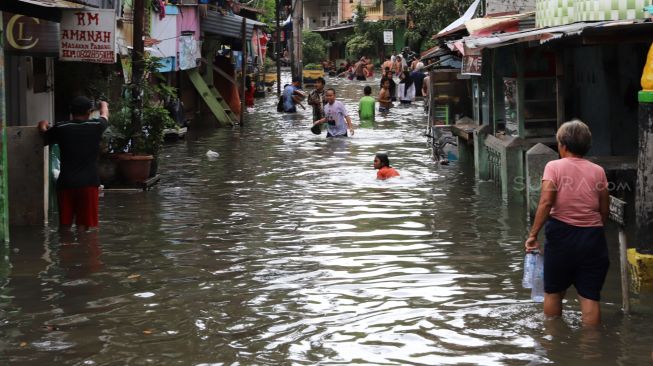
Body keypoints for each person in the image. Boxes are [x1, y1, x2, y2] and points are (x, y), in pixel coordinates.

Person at [525, 120, 610, 327]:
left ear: (562, 146)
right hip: (593, 237)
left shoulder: (553, 167)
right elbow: (604, 210)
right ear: (586, 146)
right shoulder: (598, 171)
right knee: (590, 296)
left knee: (553, 292)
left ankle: (553, 343)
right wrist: (593, 231)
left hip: (561, 236)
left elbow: (546, 202)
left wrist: (533, 235)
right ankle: (591, 349)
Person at [38, 96, 109, 230]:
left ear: (71, 112)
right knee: (85, 228)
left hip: (66, 183)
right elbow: (105, 115)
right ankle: (83, 249)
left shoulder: (61, 128)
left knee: (64, 226)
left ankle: (65, 249)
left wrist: (43, 123)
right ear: (89, 112)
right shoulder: (96, 126)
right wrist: (103, 104)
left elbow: (44, 133)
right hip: (89, 183)